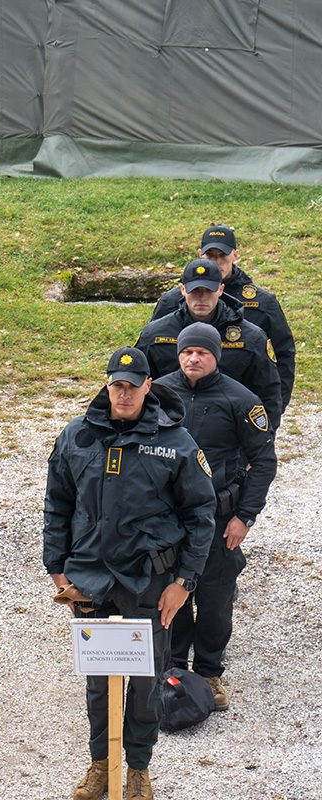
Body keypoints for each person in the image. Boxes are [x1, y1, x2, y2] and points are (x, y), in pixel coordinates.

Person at [44, 346, 215, 800]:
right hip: (90, 580)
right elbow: (57, 505)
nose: (124, 394)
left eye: (133, 386)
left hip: (151, 583)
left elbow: (201, 516)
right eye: (117, 385)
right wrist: (57, 570)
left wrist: (183, 584)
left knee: (145, 682)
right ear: (107, 385)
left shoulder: (176, 442)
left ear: (148, 386)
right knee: (99, 681)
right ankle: (101, 764)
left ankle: (138, 767)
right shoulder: (77, 436)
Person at [153, 324, 276, 713]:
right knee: (170, 592)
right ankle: (174, 667)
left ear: (216, 356)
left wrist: (245, 517)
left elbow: (264, 461)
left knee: (214, 598)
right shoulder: (157, 393)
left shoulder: (240, 399)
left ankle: (208, 671)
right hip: (169, 519)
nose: (193, 358)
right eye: (187, 352)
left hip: (220, 520)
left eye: (202, 353)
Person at [150, 225, 295, 410]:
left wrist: (276, 408)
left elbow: (282, 355)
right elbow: (149, 357)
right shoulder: (171, 301)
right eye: (210, 255)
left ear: (235, 255)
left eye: (222, 255)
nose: (216, 261)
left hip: (235, 409)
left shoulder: (262, 303)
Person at [135, 259, 281, 430]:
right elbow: (137, 385)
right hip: (169, 433)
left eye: (208, 290)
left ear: (221, 289)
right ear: (183, 290)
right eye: (195, 290)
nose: (202, 297)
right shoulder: (155, 334)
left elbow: (269, 395)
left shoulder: (251, 338)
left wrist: (261, 436)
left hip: (228, 434)